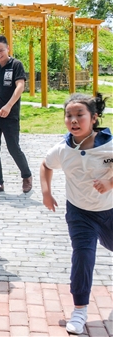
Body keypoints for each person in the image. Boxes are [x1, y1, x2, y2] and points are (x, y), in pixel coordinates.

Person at [40, 93, 112, 335]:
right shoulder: (62, 149)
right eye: (69, 115)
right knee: (83, 256)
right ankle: (80, 309)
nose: (73, 120)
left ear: (94, 118)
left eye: (79, 115)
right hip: (80, 214)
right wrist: (46, 193)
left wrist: (110, 183)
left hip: (110, 211)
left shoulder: (109, 144)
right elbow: (46, 165)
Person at [0, 35, 32, 193]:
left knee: (13, 147)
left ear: (8, 48)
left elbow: (20, 86)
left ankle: (26, 176)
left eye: (1, 50)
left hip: (9, 115)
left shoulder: (16, 64)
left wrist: (8, 106)